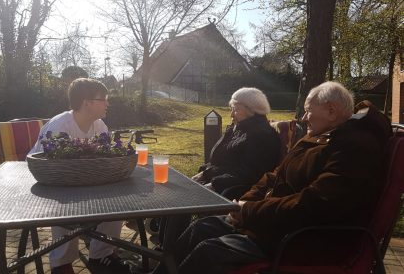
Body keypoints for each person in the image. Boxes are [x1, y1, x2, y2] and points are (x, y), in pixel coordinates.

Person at [153, 81, 392, 274]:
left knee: (209, 250)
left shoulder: (353, 147)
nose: (304, 117)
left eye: (308, 110)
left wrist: (248, 211)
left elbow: (315, 204)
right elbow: (273, 176)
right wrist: (243, 205)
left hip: (302, 238)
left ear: (331, 110)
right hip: (272, 222)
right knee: (203, 226)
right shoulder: (321, 137)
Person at [29, 78, 129, 274]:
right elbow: (49, 171)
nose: (107, 103)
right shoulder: (59, 127)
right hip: (51, 184)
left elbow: (105, 160)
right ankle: (62, 263)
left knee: (118, 200)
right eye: (104, 99)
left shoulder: (100, 126)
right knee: (64, 205)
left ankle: (101, 254)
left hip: (87, 183)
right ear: (87, 102)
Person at [192, 87, 281, 200]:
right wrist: (205, 173)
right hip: (222, 180)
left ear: (252, 110)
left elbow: (249, 174)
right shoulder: (238, 129)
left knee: (182, 200)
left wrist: (213, 184)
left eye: (235, 110)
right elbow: (223, 161)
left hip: (235, 190)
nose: (231, 115)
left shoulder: (262, 136)